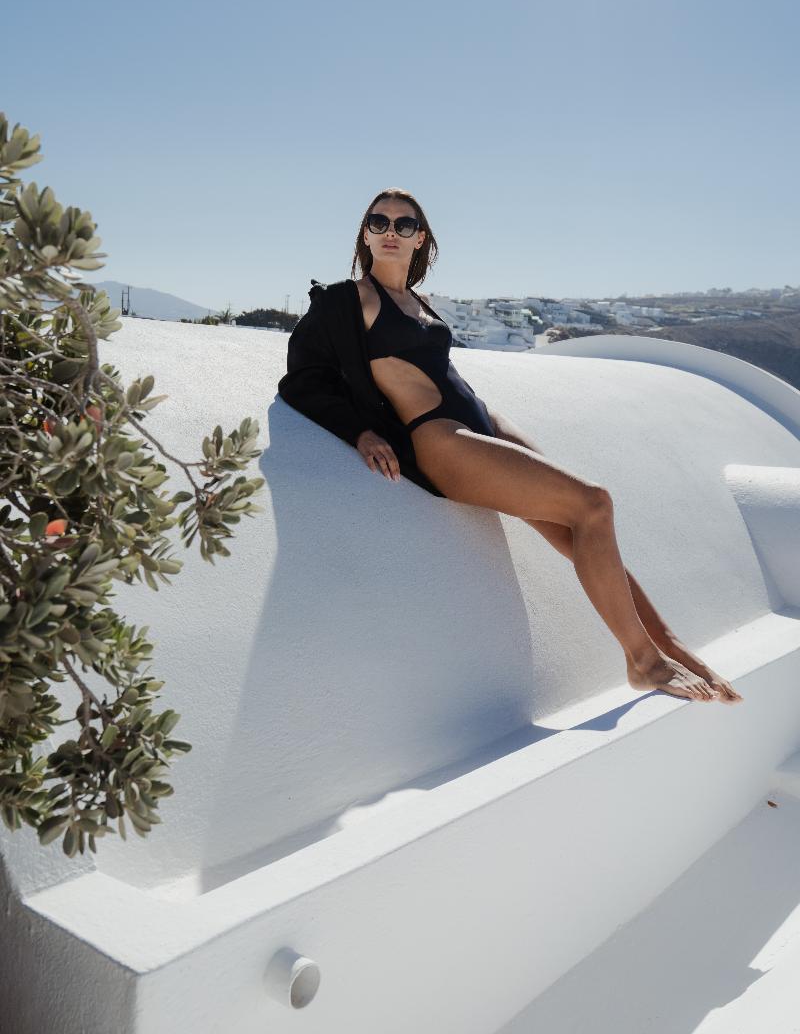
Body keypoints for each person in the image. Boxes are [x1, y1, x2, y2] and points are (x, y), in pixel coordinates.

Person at [278, 187, 743, 706]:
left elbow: (443, 372)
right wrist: (361, 432)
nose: (390, 232)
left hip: (483, 426)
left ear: (420, 238)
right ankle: (643, 662)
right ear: (365, 234)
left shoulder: (418, 302)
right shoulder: (349, 300)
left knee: (581, 530)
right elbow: (304, 376)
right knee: (593, 503)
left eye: (403, 224)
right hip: (441, 438)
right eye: (378, 222)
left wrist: (494, 426)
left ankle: (669, 644)